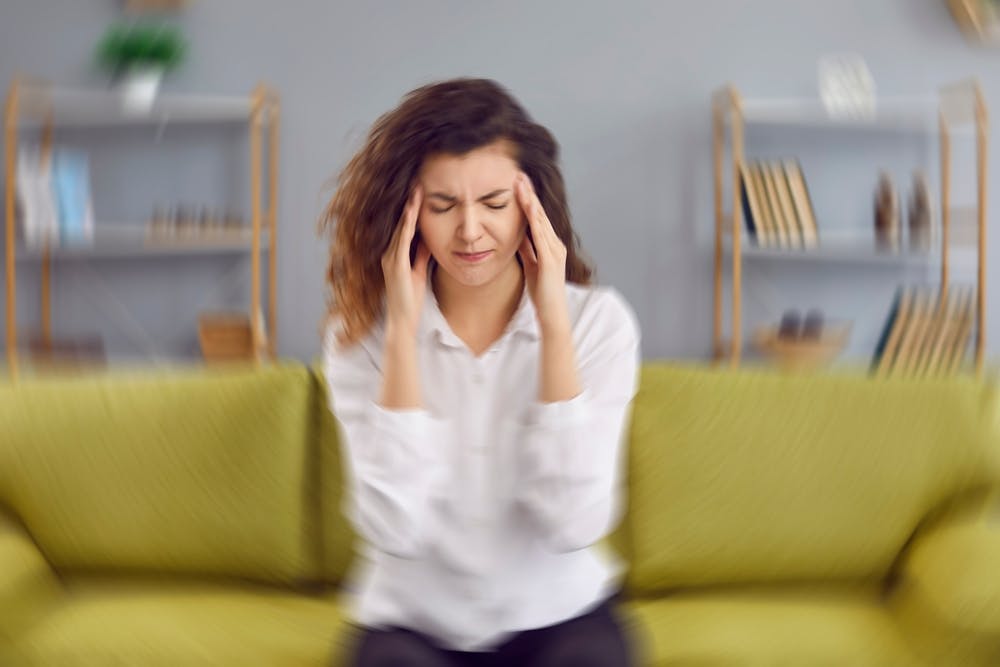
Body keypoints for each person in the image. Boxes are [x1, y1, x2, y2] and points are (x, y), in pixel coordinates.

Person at [320, 78, 640, 667]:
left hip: (561, 616)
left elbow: (575, 523)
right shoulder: (358, 336)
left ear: (531, 206)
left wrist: (553, 322)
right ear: (407, 213)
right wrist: (400, 337)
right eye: (443, 206)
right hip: (410, 624)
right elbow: (396, 527)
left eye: (494, 204)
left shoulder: (601, 324)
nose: (470, 232)